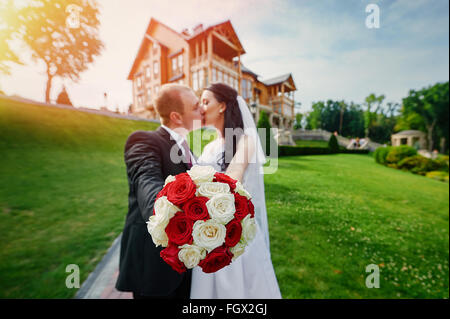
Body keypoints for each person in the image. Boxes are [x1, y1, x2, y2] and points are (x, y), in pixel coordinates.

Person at [190, 83, 282, 299]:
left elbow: (232, 180)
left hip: (235, 236)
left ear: (222, 106)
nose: (201, 108)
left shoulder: (245, 140)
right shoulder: (210, 147)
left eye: (205, 102)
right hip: (208, 233)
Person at [115, 83, 204, 299]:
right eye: (195, 106)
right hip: (153, 265)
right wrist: (162, 210)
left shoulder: (187, 149)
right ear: (176, 117)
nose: (202, 109)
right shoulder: (145, 141)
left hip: (185, 262)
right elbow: (146, 180)